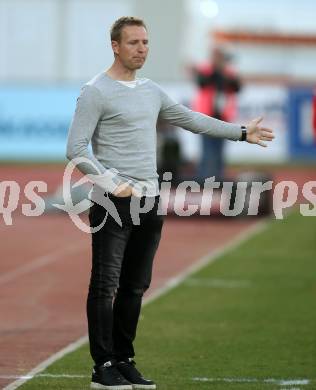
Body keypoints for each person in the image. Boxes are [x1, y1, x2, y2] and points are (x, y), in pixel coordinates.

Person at [66, 17, 274, 390]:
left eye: (145, 42)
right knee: (105, 285)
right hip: (112, 203)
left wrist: (241, 132)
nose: (142, 49)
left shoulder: (151, 91)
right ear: (115, 46)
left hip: (149, 202)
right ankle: (103, 367)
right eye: (133, 43)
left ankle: (125, 360)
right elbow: (76, 149)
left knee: (135, 287)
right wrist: (111, 183)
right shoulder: (95, 91)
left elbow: (192, 120)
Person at [192, 46, 242, 182]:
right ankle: (203, 182)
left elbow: (237, 86)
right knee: (207, 152)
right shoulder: (206, 70)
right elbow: (202, 82)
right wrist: (218, 70)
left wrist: (223, 71)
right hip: (205, 117)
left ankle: (218, 182)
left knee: (219, 152)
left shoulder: (228, 72)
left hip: (223, 118)